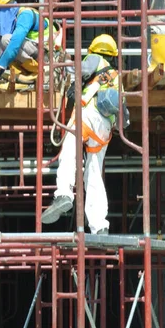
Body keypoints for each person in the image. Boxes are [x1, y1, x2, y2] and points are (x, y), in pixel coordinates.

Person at [41, 34, 129, 235]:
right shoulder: (117, 79)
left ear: (93, 50)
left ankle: (64, 193)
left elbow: (79, 69)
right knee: (94, 172)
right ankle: (99, 225)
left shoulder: (95, 59)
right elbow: (124, 113)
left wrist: (63, 62)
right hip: (104, 130)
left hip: (87, 115)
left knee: (69, 152)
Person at [0, 0, 62, 91]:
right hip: (35, 52)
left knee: (6, 40)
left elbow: (15, 44)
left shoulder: (25, 15)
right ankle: (22, 75)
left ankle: (39, 72)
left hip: (47, 56)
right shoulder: (13, 20)